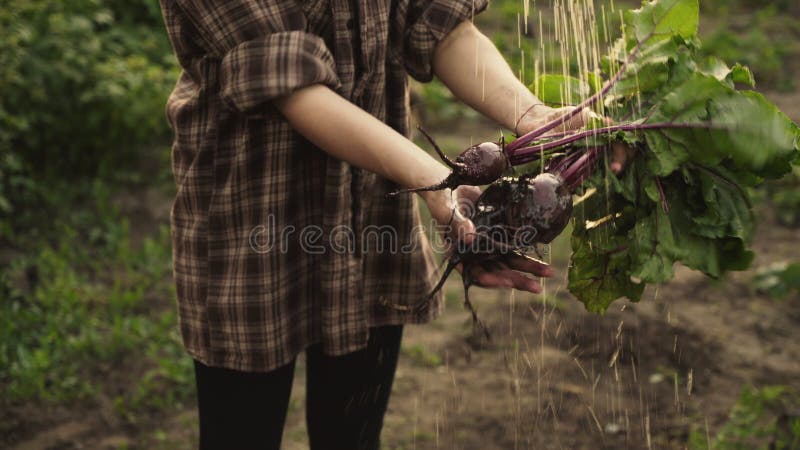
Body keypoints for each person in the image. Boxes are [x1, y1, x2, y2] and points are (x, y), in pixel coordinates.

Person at [158, 1, 623, 448]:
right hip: (256, 217)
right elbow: (295, 88)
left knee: (356, 434)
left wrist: (535, 118)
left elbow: (441, 25)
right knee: (241, 435)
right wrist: (436, 181)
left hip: (373, 209)